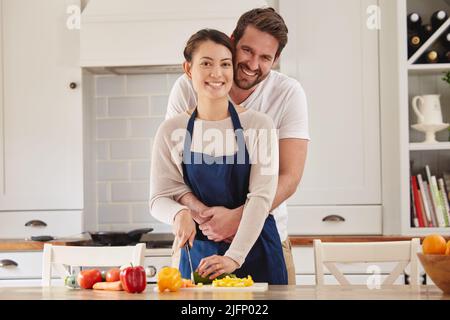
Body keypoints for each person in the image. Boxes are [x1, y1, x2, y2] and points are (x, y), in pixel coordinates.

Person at [166, 7, 309, 285]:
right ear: (232, 41)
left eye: (265, 57)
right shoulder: (187, 88)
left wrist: (240, 219)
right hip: (197, 240)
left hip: (266, 240)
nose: (253, 64)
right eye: (247, 50)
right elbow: (172, 176)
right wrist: (203, 217)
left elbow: (289, 178)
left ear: (276, 59)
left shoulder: (287, 94)